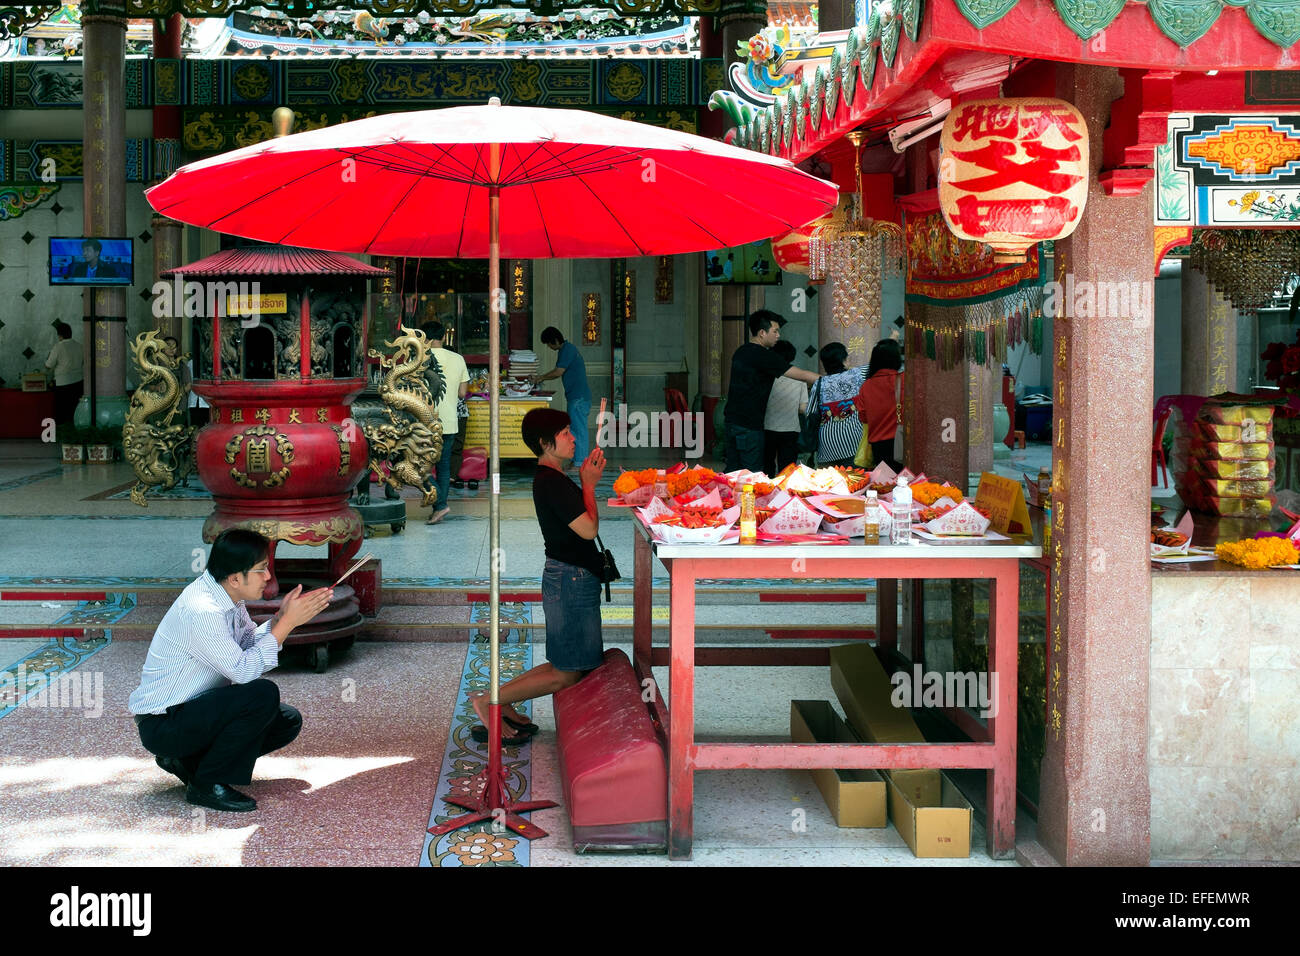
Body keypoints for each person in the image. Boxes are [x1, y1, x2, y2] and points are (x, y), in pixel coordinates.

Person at [128, 529, 333, 812]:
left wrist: (281, 619)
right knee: (261, 694)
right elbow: (243, 671)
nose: (268, 577)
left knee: (285, 720)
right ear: (236, 577)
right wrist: (286, 626)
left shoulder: (225, 596)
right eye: (261, 570)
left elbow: (248, 642)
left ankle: (189, 762)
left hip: (189, 712)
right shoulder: (204, 611)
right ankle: (207, 785)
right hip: (164, 723)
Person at [469, 409, 606, 743]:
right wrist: (589, 485)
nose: (573, 438)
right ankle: (488, 702)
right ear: (546, 444)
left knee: (568, 666)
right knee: (565, 674)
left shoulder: (554, 477)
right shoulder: (549, 482)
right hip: (569, 580)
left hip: (574, 578)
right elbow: (588, 529)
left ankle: (500, 702)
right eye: (565, 434)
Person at [723, 309, 819, 473]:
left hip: (731, 422)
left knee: (733, 472)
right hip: (750, 427)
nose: (778, 335)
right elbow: (801, 374)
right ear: (762, 332)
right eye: (775, 331)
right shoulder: (764, 356)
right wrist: (831, 381)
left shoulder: (741, 351)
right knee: (751, 475)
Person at [423, 320, 469, 525]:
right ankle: (438, 507)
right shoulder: (458, 359)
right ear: (443, 337)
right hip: (449, 421)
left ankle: (440, 505)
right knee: (443, 467)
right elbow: (462, 393)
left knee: (419, 467)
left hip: (424, 421)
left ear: (425, 338)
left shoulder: (420, 358)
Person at [532, 326, 591, 467]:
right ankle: (578, 461)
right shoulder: (568, 349)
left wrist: (540, 378)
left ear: (555, 340)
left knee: (578, 430)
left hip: (578, 398)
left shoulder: (567, 350)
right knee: (578, 429)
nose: (549, 347)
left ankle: (579, 463)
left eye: (549, 343)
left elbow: (558, 372)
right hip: (578, 396)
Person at [812, 342, 870, 468]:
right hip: (853, 445)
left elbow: (810, 412)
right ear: (843, 361)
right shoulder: (857, 374)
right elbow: (878, 362)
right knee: (855, 484)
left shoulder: (819, 383)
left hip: (826, 448)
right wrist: (893, 338)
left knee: (828, 486)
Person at [854, 338, 905, 472]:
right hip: (902, 442)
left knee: (885, 486)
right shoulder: (905, 380)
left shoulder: (866, 385)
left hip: (878, 447)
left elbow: (863, 417)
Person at [763, 339, 807, 476]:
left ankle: (767, 492)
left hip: (767, 427)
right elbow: (803, 408)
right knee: (787, 469)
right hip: (790, 429)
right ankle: (785, 495)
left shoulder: (765, 376)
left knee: (767, 466)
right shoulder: (800, 378)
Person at [44, 321, 83, 425]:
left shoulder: (58, 347)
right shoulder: (80, 346)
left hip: (62, 384)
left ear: (59, 335)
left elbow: (48, 365)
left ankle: (62, 434)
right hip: (79, 382)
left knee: (61, 411)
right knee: (75, 410)